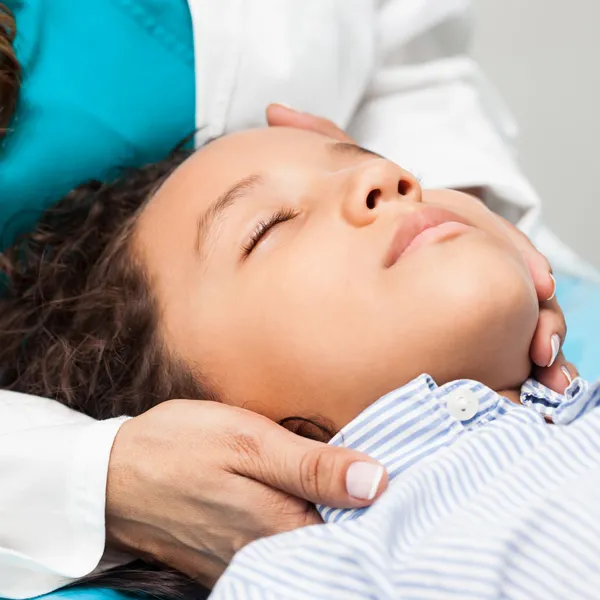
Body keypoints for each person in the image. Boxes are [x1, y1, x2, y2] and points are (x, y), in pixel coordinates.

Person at [0, 0, 581, 597]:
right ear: (210, 421)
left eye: (364, 159)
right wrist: (85, 474)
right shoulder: (325, 577)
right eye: (271, 227)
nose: (385, 179)